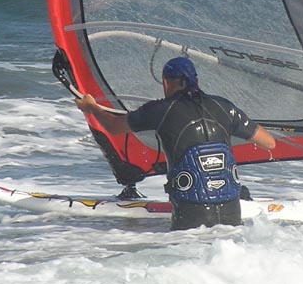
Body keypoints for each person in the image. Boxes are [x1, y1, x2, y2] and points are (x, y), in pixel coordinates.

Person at [75, 56, 277, 230]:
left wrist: (91, 108)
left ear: (167, 83)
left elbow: (113, 126)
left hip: (192, 212)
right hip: (231, 211)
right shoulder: (224, 107)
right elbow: (269, 143)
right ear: (195, 81)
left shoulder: (161, 110)